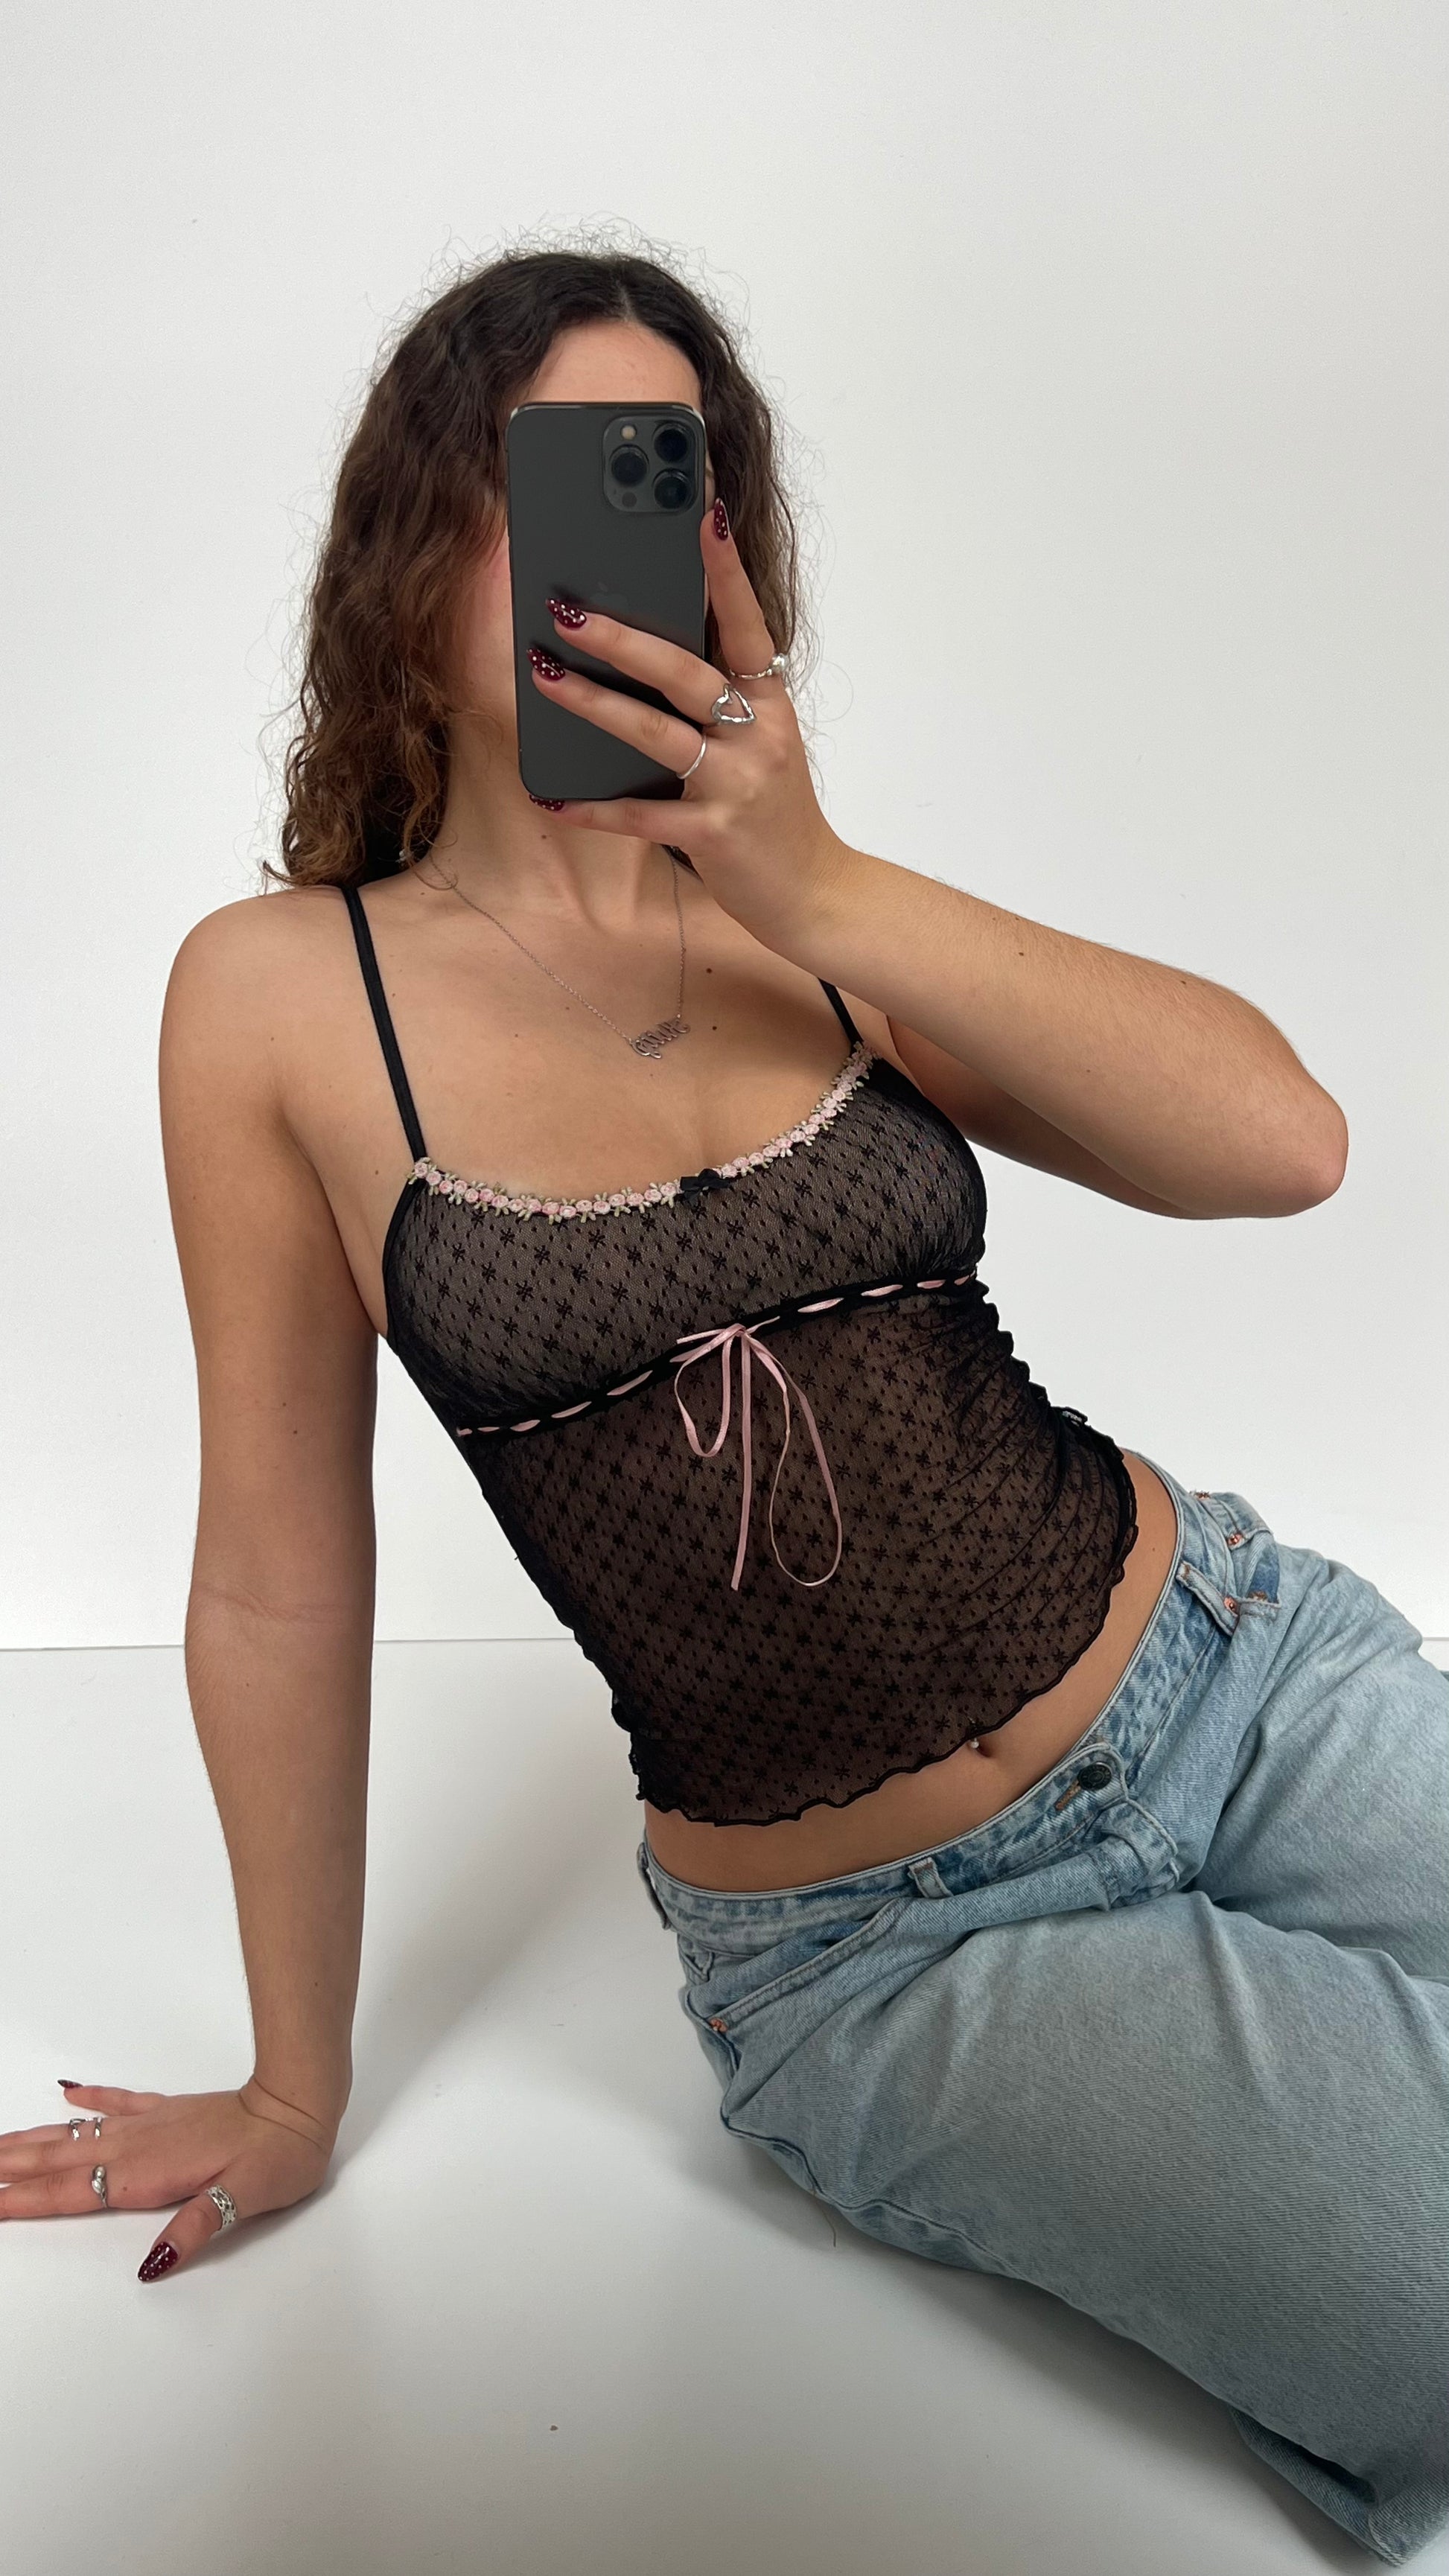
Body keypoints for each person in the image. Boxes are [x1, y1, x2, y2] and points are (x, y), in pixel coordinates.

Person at [3, 249, 1445, 2566]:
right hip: (898, 1951)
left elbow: (1282, 1145)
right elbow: (276, 1571)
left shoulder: (804, 908)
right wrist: (292, 2081)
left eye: (664, 481)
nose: (618, 544)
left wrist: (818, 876)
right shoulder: (273, 999)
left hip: (1235, 1674)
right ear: (406, 560)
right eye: (552, 482)